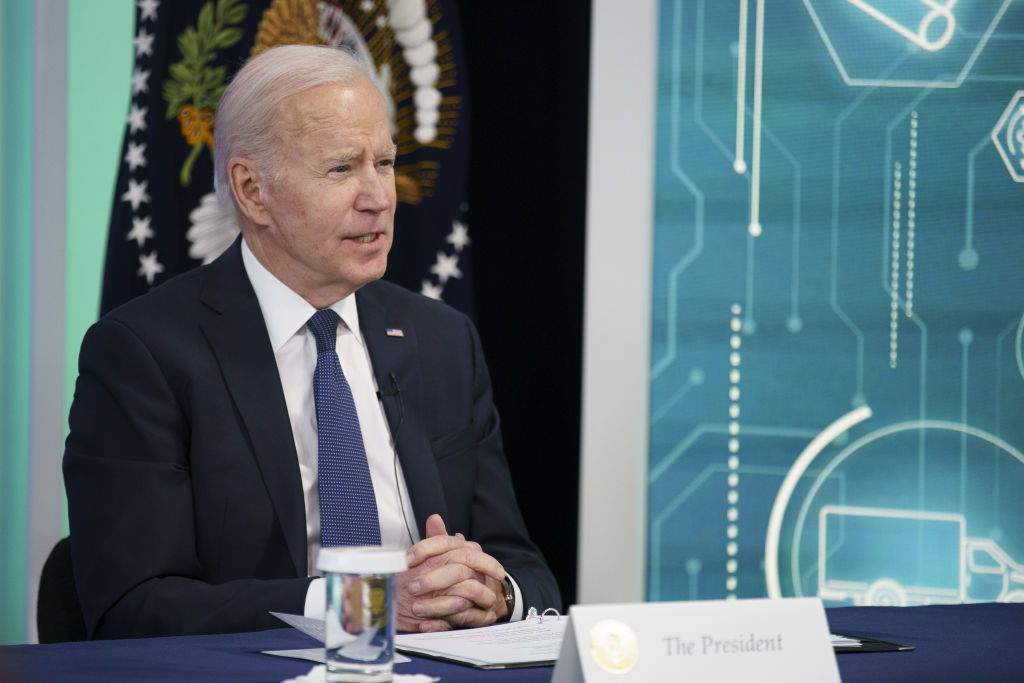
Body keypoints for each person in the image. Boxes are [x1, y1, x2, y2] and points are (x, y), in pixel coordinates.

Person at [62, 44, 560, 640]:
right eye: (342, 169)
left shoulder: (443, 340)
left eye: (385, 162)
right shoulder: (144, 354)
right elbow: (133, 607)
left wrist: (496, 593)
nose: (378, 197)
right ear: (252, 191)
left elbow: (524, 566)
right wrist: (362, 606)